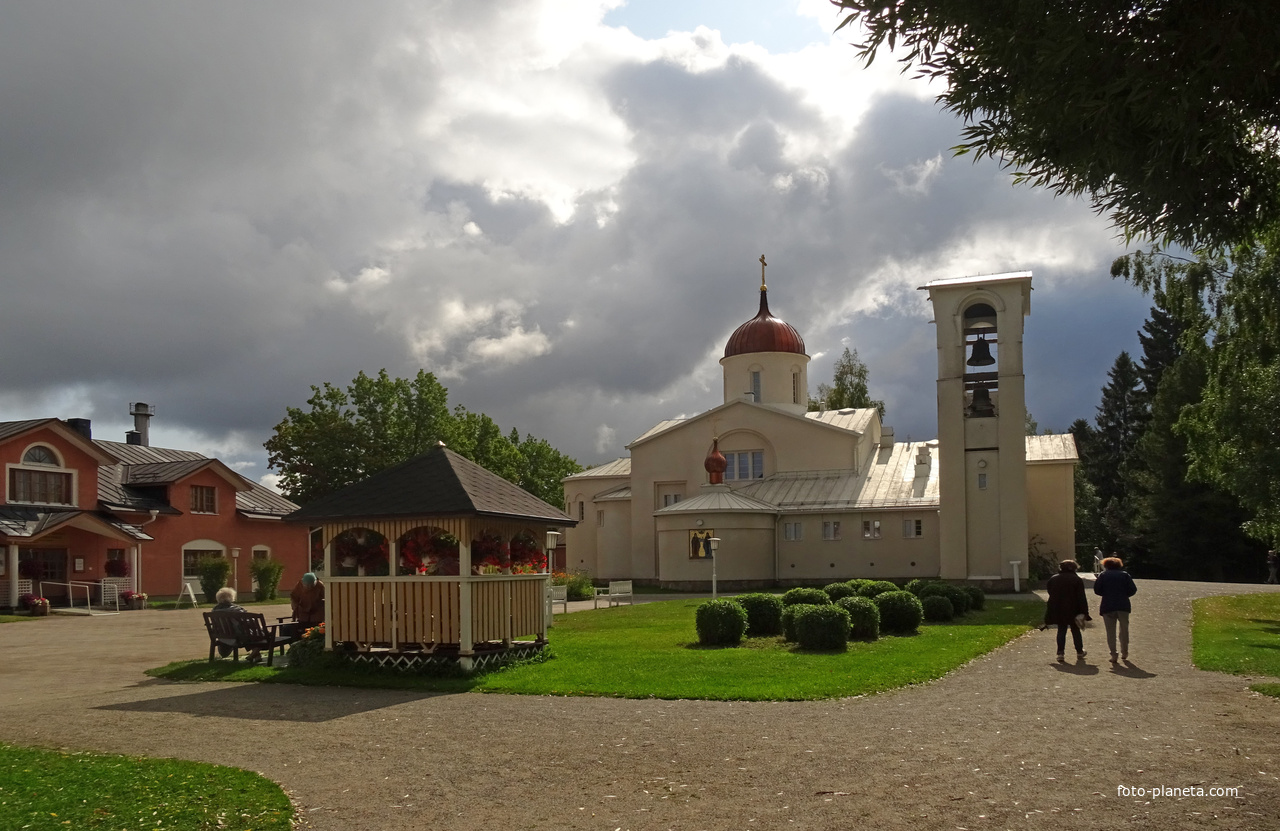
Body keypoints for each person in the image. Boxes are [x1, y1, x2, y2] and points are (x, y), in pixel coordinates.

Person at [1044, 559, 1091, 662]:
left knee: (1061, 630)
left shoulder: (1053, 579)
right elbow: (1081, 597)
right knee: (1075, 630)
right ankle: (1079, 651)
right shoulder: (1076, 580)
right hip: (1074, 608)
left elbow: (1050, 592)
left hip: (1059, 608)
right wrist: (1084, 612)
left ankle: (1060, 653)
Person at [1093, 556, 1138, 662]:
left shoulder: (1103, 575)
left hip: (1107, 605)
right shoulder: (1125, 575)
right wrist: (1124, 595)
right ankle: (1125, 651)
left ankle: (1113, 653)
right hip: (1123, 605)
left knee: (1110, 632)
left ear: (1106, 565)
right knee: (1124, 630)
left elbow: (1097, 590)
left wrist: (1107, 593)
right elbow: (1133, 589)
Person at [209, 587, 254, 660]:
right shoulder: (236, 610)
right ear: (231, 597)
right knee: (256, 633)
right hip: (236, 637)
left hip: (221, 637)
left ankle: (256, 654)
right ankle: (256, 652)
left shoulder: (214, 611)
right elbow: (248, 622)